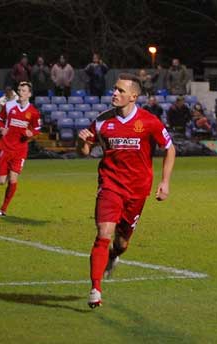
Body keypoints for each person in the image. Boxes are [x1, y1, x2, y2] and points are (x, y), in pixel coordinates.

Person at [77, 73, 175, 308]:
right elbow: (85, 151)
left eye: (120, 91)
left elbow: (170, 148)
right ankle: (95, 289)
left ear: (133, 96)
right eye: (114, 89)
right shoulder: (102, 121)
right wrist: (82, 142)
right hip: (110, 186)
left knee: (121, 243)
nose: (115, 93)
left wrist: (165, 182)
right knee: (103, 232)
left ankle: (114, 255)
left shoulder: (149, 121)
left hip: (138, 191)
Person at [0, 81, 41, 216]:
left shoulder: (33, 112)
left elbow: (37, 128)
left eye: (24, 91)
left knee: (13, 179)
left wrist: (31, 133)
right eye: (20, 90)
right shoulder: (9, 106)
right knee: (1, 182)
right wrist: (1, 128)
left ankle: (3, 208)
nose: (21, 93)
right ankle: (7, 173)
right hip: (6, 146)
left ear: (29, 94)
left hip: (20, 150)